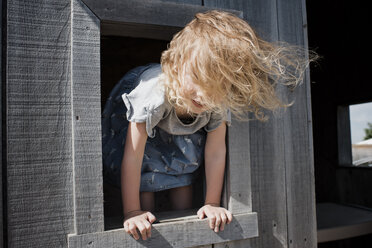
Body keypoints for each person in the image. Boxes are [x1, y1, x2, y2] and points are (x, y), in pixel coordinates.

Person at [102, 10, 314, 241]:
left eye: (219, 84)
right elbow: (133, 155)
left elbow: (215, 151)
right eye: (199, 77)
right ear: (176, 64)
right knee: (145, 197)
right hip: (145, 136)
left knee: (184, 182)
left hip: (179, 138)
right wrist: (132, 211)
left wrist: (212, 203)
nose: (204, 94)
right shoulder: (153, 94)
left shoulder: (216, 99)